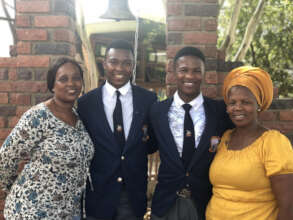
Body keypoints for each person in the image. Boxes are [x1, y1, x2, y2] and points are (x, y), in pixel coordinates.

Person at [0, 57, 94, 219]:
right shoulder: (38, 116)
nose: (71, 84)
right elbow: (6, 158)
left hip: (66, 212)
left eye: (76, 78)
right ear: (52, 85)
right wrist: (14, 188)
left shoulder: (79, 118)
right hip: (32, 211)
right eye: (63, 79)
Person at [149, 47, 233, 220]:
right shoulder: (157, 111)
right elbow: (147, 145)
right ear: (174, 72)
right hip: (165, 202)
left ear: (204, 74)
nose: (189, 76)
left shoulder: (219, 112)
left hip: (204, 202)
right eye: (183, 70)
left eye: (196, 71)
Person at [77, 40, 157, 220]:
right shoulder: (86, 103)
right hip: (98, 194)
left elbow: (151, 143)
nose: (119, 68)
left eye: (126, 63)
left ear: (132, 66)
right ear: (104, 63)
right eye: (113, 62)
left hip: (132, 195)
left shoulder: (148, 100)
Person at [206, 66, 293, 220]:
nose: (237, 108)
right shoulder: (225, 138)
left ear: (258, 105)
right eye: (232, 102)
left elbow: (288, 207)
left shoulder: (273, 142)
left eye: (245, 102)